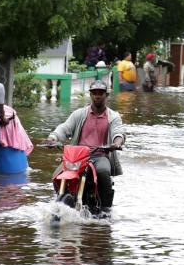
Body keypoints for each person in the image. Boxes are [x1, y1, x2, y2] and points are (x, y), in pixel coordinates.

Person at [46, 80, 125, 214]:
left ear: (106, 95)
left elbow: (118, 132)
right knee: (57, 175)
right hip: (77, 156)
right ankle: (62, 198)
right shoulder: (80, 114)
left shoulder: (113, 116)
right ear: (90, 95)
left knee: (103, 172)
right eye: (94, 93)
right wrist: (53, 138)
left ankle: (105, 209)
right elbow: (65, 128)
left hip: (100, 155)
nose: (97, 96)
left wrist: (116, 143)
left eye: (100, 93)